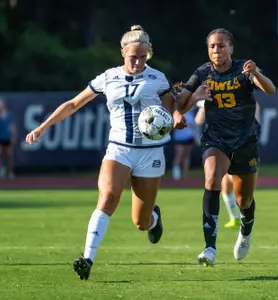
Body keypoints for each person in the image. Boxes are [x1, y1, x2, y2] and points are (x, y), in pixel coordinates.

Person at [25, 25, 185, 280]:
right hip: (119, 149)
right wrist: (43, 126)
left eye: (143, 57)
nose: (138, 62)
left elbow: (170, 109)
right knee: (108, 197)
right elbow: (74, 103)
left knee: (140, 223)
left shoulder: (158, 79)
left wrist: (176, 115)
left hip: (150, 152)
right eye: (133, 57)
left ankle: (154, 217)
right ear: (123, 52)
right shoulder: (108, 77)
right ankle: (87, 258)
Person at [177, 28, 275, 266]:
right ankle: (209, 248)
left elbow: (270, 89)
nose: (216, 50)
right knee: (211, 180)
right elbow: (180, 104)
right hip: (216, 139)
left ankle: (245, 229)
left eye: (221, 46)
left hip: (244, 140)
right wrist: (196, 96)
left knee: (244, 200)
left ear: (231, 48)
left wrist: (257, 74)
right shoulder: (201, 72)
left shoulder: (244, 68)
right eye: (212, 46)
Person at [195, 101, 261, 228]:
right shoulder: (210, 102)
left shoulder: (240, 96)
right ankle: (234, 217)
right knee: (223, 185)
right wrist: (205, 106)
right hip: (218, 144)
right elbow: (198, 120)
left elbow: (255, 109)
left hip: (240, 145)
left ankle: (242, 218)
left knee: (237, 185)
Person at [0, 97, 17, 179]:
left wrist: (13, 136)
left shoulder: (9, 114)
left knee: (9, 155)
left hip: (7, 137)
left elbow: (12, 126)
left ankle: (10, 172)